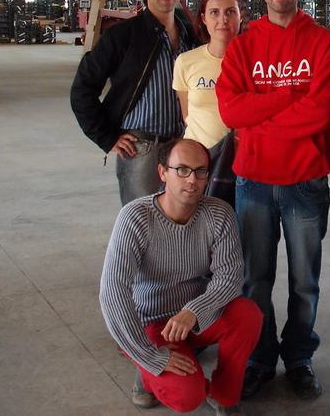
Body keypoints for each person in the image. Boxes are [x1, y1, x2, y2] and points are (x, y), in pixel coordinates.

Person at [215, 0, 330, 402]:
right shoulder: (242, 46)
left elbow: (320, 113)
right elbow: (231, 111)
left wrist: (260, 115)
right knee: (255, 280)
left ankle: (300, 358)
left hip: (305, 180)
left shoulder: (325, 43)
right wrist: (290, 98)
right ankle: (260, 359)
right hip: (253, 180)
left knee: (305, 281)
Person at [100, 138, 262, 413]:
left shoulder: (218, 213)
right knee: (187, 397)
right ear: (162, 172)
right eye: (182, 170)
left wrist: (193, 311)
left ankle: (225, 394)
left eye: (200, 171)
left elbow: (230, 276)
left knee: (247, 314)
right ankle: (146, 378)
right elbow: (113, 292)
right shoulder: (135, 217)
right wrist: (150, 357)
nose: (192, 180)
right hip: (154, 322)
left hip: (195, 317)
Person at [71, 0, 195, 205]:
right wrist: (107, 136)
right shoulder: (122, 36)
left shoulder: (192, 38)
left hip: (185, 147)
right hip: (141, 149)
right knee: (142, 221)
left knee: (182, 222)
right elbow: (83, 89)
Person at [173, 0, 244, 205]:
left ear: (241, 16)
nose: (223, 20)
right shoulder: (186, 62)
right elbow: (187, 115)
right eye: (214, 12)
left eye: (230, 12)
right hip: (199, 164)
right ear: (203, 18)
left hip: (242, 161)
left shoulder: (253, 62)